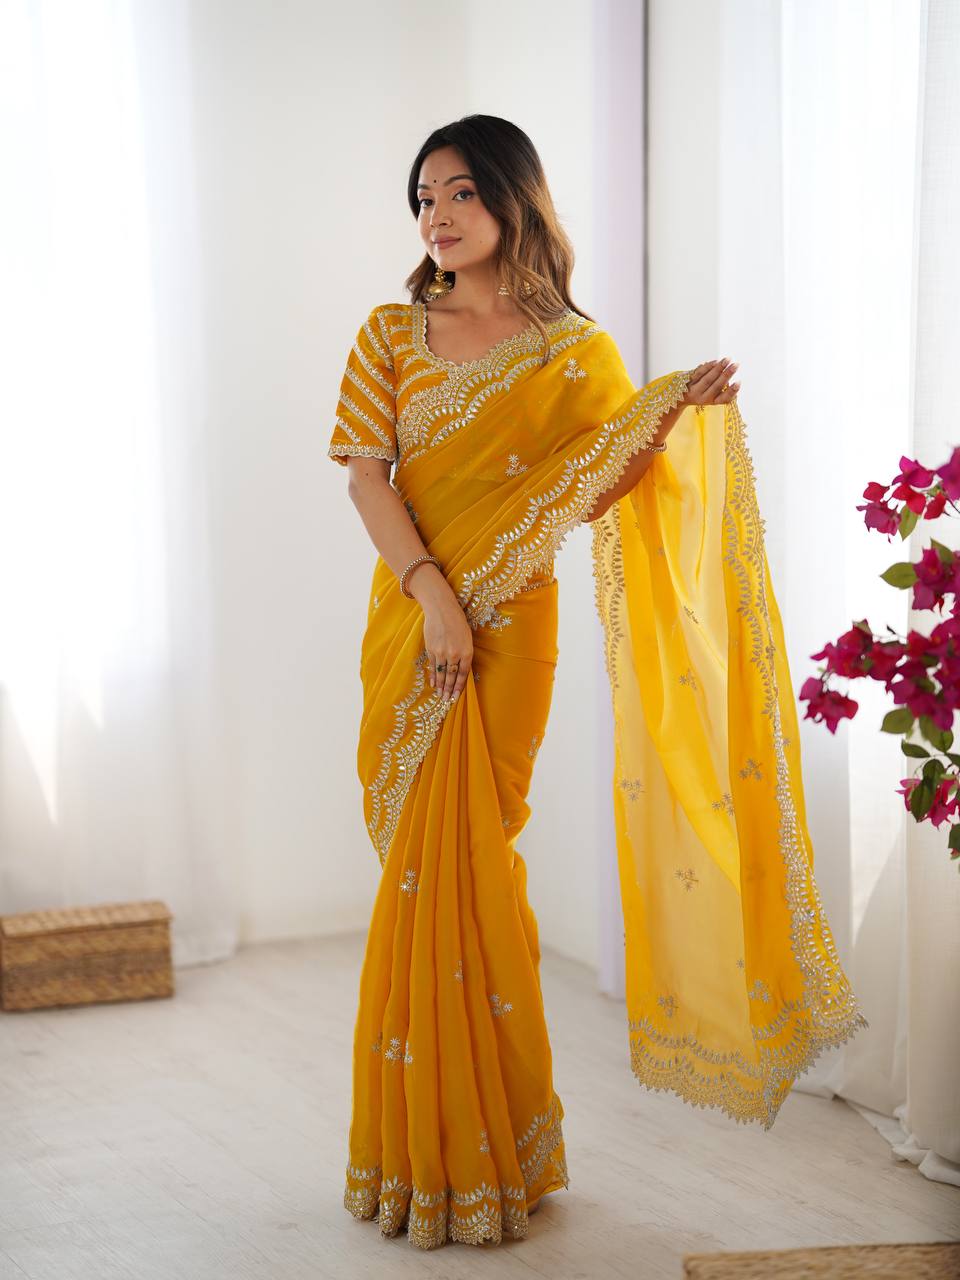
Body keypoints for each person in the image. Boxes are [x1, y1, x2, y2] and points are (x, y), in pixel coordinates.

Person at [327, 114, 867, 1252]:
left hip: (516, 629)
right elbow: (368, 479)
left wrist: (669, 416)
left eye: (461, 191)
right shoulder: (390, 333)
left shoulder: (574, 351)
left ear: (513, 198)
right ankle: (421, 1155)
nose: (437, 215)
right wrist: (432, 596)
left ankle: (497, 1150)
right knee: (426, 866)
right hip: (416, 621)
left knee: (479, 862)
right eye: (424, 197)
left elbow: (599, 481)